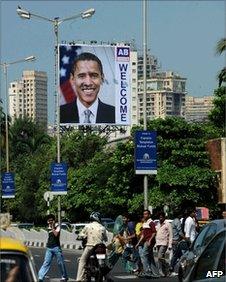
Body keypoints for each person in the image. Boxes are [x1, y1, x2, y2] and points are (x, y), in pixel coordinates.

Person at [60, 52, 115, 124]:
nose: (88, 83)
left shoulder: (115, 115)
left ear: (102, 78)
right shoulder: (60, 114)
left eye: (94, 75)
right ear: (72, 79)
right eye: (81, 76)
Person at [76, 212, 108, 282]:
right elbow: (106, 239)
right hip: (100, 246)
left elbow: (81, 235)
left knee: (82, 260)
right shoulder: (102, 227)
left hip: (90, 246)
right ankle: (105, 277)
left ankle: (79, 279)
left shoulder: (88, 226)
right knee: (103, 262)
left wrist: (80, 237)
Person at [38, 214, 68, 282]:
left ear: (54, 220)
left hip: (56, 247)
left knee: (60, 262)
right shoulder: (48, 226)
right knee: (46, 263)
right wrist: (50, 226)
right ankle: (40, 277)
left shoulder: (57, 226)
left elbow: (56, 234)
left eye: (51, 220)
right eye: (49, 220)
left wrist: (52, 227)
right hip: (49, 248)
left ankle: (64, 276)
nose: (49, 222)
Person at [135, 209, 159, 278]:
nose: (144, 215)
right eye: (144, 214)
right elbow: (143, 234)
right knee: (150, 257)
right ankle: (155, 273)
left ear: (149, 215)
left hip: (149, 241)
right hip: (145, 241)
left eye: (146, 214)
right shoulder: (145, 223)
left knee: (144, 255)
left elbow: (154, 232)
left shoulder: (151, 222)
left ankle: (147, 272)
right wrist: (138, 243)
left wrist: (150, 240)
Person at [155, 212, 173, 277]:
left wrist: (170, 244)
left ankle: (163, 270)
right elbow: (156, 234)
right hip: (158, 243)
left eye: (161, 217)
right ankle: (165, 271)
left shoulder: (168, 224)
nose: (160, 218)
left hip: (164, 243)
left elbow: (171, 235)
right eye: (159, 217)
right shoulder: (158, 224)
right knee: (160, 258)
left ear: (164, 217)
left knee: (160, 257)